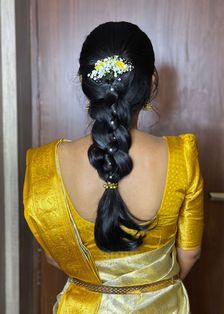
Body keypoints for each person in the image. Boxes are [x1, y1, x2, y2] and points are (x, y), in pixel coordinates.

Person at [23, 21, 204, 314]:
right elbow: (190, 253)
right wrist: (149, 291)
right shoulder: (182, 156)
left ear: (84, 80)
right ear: (152, 80)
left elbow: (56, 256)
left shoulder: (43, 164)